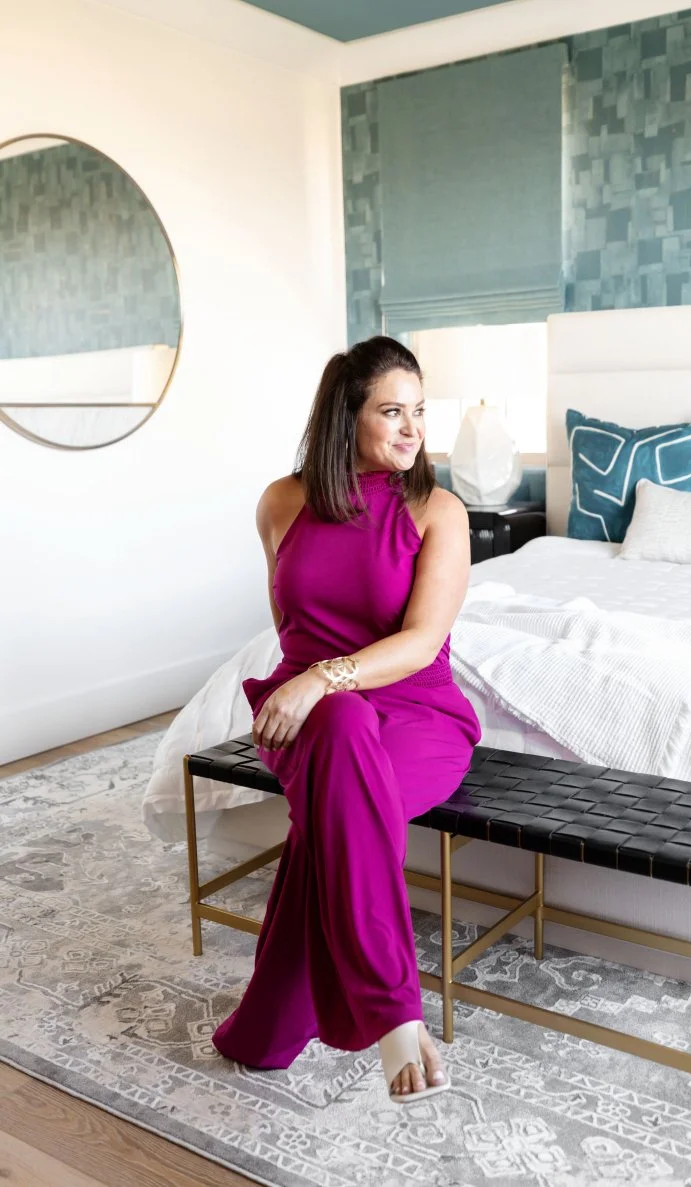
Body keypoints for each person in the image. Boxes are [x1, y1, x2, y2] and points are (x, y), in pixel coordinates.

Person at [212, 335, 481, 1103]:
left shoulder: (437, 510)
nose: (412, 428)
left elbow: (422, 640)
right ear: (345, 415)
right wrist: (312, 687)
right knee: (339, 729)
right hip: (306, 716)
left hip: (416, 711)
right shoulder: (280, 502)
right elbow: (293, 622)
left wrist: (324, 678)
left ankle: (267, 1027)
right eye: (392, 411)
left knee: (335, 806)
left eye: (419, 410)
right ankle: (394, 1012)